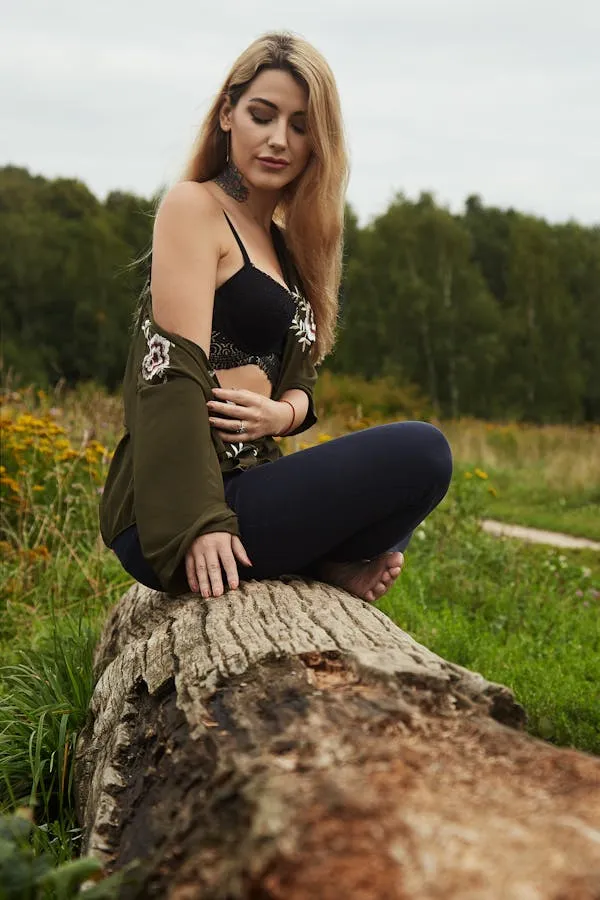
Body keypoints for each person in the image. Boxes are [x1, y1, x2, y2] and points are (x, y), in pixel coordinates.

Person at [100, 31, 452, 604]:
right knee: (423, 449)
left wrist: (280, 415)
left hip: (254, 481)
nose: (278, 139)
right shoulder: (196, 208)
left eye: (299, 125)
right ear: (226, 115)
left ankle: (328, 564)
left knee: (423, 469)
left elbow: (301, 385)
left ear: (319, 142)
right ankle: (322, 557)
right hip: (176, 503)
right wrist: (200, 519)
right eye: (262, 115)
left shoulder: (290, 250)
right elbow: (170, 373)